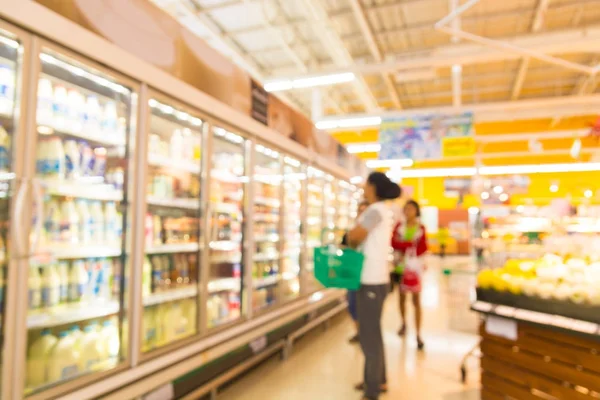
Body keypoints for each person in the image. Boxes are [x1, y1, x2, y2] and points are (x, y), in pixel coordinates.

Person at [347, 172, 401, 400]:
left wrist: (348, 235)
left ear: (372, 187)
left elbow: (356, 237)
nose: (363, 187)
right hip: (377, 279)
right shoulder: (381, 210)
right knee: (374, 334)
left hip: (370, 280)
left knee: (369, 336)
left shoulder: (374, 210)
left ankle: (372, 389)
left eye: (365, 183)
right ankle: (380, 380)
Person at [391, 200, 428, 350]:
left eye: (411, 209)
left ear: (416, 211)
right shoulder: (399, 226)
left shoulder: (421, 228)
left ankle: (418, 333)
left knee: (416, 300)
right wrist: (409, 244)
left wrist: (404, 244)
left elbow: (422, 247)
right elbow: (394, 243)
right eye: (405, 209)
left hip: (415, 268)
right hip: (400, 267)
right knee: (401, 297)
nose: (408, 211)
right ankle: (404, 323)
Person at [342, 201, 369, 344]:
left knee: (364, 305)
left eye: (365, 210)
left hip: (367, 274)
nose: (362, 213)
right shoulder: (353, 229)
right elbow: (345, 244)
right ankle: (358, 331)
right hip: (353, 272)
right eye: (360, 210)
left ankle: (363, 332)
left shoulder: (372, 231)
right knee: (352, 304)